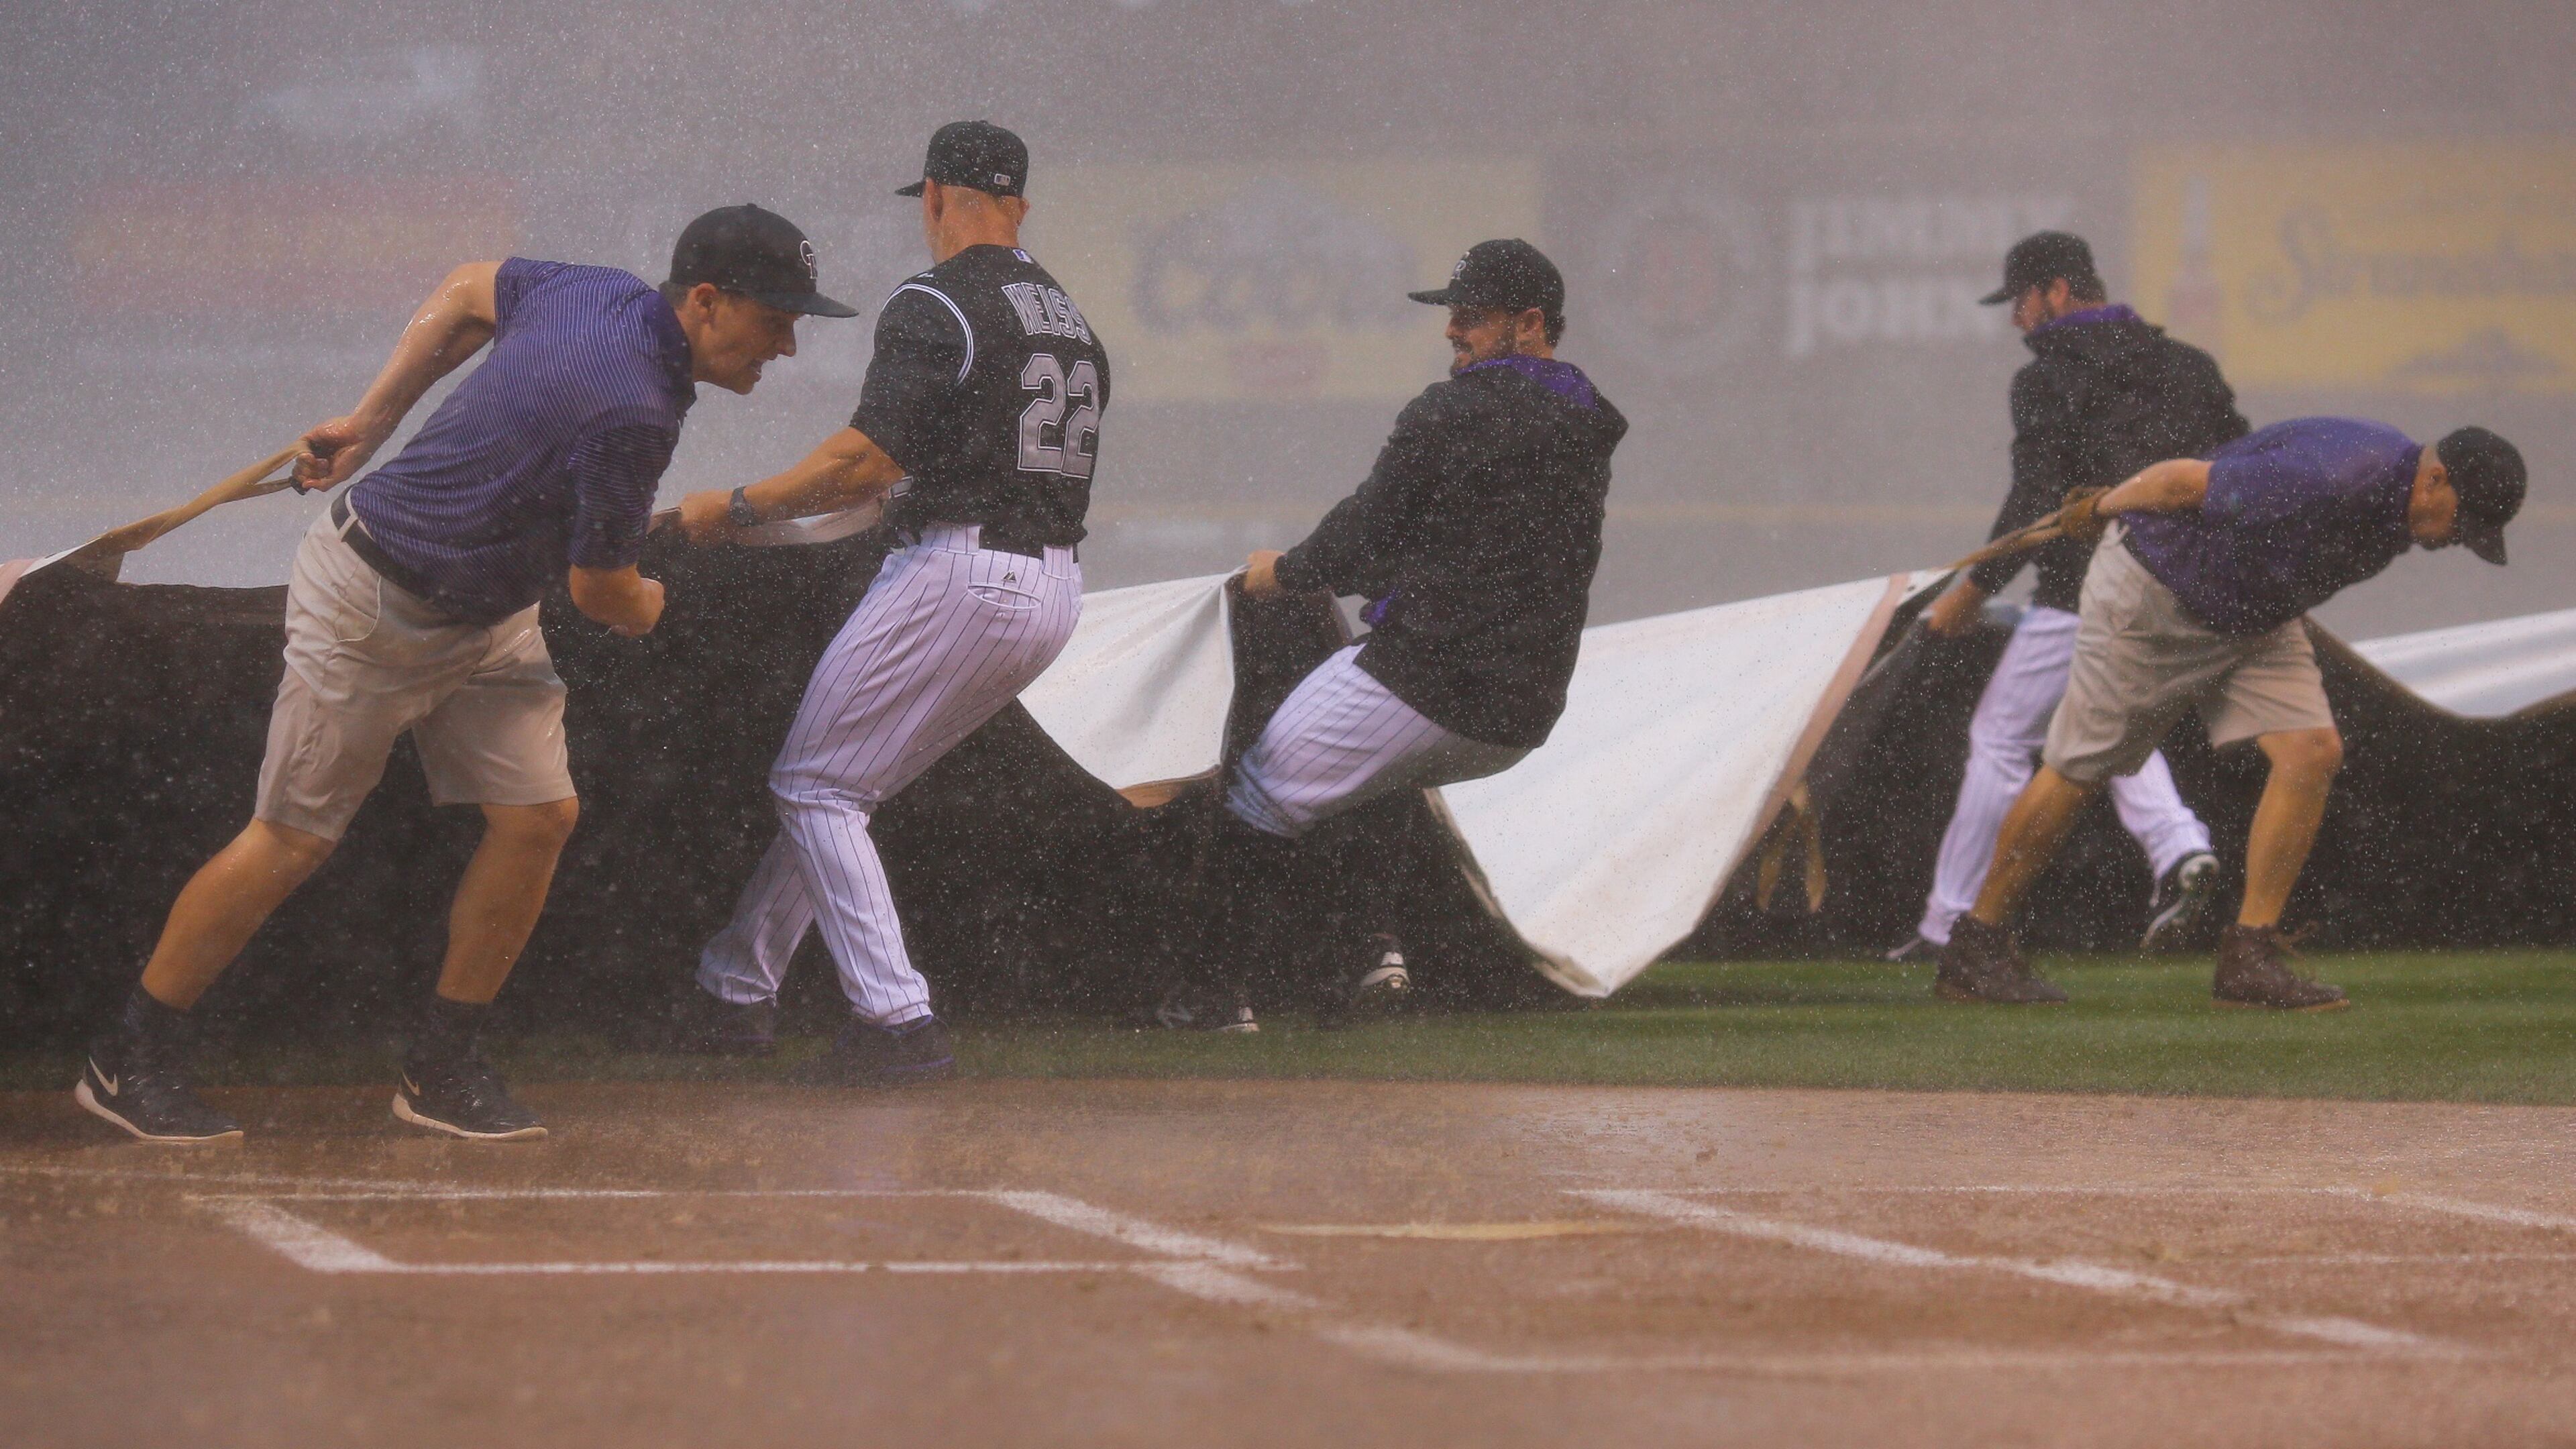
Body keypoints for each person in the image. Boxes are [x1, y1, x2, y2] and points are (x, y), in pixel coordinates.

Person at [74, 206, 853, 1143]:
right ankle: (128, 1058)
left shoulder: (595, 291)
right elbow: (601, 590)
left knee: (538, 819)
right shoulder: (634, 411)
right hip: (375, 605)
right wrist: (649, 602)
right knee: (291, 840)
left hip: (486, 611)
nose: (790, 347)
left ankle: (441, 1068)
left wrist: (372, 419)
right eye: (777, 319)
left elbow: (463, 289)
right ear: (706, 302)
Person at [668, 122, 1102, 1083]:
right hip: (1053, 587)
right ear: (1020, 207)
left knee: (815, 787)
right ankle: (735, 988)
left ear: (936, 199)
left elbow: (865, 461)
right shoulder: (1064, 315)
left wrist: (737, 506)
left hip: (964, 574)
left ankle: (896, 1021)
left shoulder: (936, 299)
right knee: (838, 786)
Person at [1155, 239, 1627, 1032]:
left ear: (1531, 323)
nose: (1453, 332)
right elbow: (1466, 533)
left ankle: (1211, 998)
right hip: (1524, 708)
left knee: (1256, 788)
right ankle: (1366, 956)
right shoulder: (1584, 417)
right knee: (1373, 777)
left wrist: (1287, 570)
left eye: (1471, 317)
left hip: (1433, 675)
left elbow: (1362, 536)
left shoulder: (1452, 410)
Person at [1939, 416, 2527, 1008]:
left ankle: (2249, 957)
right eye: (2464, 521)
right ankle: (1975, 945)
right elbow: (2178, 484)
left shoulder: (2397, 497)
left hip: (2255, 620)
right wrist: (2101, 508)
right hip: (2156, 598)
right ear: (2436, 478)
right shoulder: (2333, 479)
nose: (2458, 538)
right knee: (2076, 771)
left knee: (2312, 752)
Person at [1891, 231, 2237, 981]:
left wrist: (1973, 590)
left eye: (2020, 301)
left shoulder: (2049, 378)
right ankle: (2180, 847)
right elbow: (2234, 468)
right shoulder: (2188, 367)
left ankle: (1950, 920)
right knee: (2107, 726)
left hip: (2085, 588)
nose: (2017, 320)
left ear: (2054, 290)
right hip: (2183, 581)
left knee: (2000, 736)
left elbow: (2037, 495)